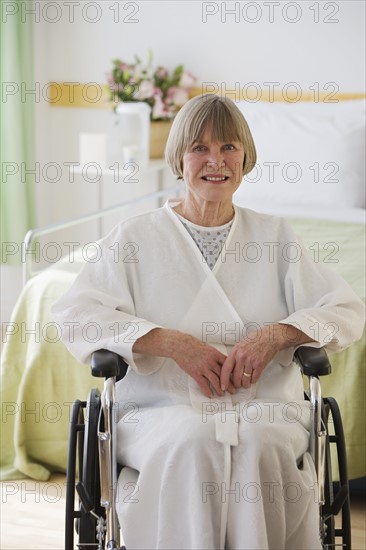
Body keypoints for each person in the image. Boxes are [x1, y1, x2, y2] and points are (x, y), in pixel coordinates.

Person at [52, 94, 364, 550]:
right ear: (179, 157)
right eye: (200, 147)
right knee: (192, 441)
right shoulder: (136, 236)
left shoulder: (275, 236)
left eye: (229, 148)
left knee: (259, 443)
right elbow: (74, 314)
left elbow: (346, 309)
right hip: (160, 410)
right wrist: (169, 343)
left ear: (246, 158)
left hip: (263, 407)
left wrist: (278, 334)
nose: (215, 161)